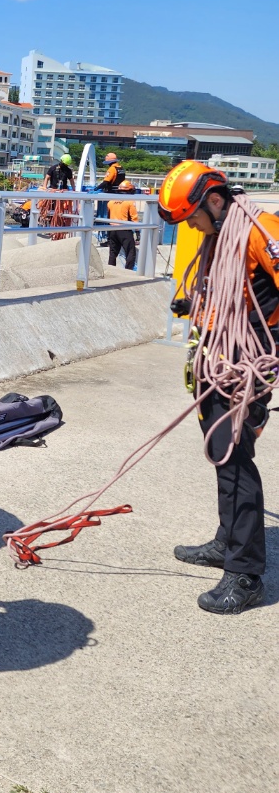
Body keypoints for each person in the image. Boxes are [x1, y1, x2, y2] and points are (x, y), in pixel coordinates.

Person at [160, 160, 278, 614]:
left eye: (192, 217)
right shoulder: (220, 233)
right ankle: (227, 541)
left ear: (214, 200)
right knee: (220, 453)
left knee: (235, 461)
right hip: (215, 359)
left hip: (245, 365)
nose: (191, 226)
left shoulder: (260, 232)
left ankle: (245, 574)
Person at [106, 180, 139, 270]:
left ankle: (110, 270)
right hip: (124, 230)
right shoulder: (130, 201)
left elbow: (108, 216)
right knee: (130, 252)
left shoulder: (111, 201)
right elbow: (134, 218)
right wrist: (137, 232)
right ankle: (128, 271)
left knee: (113, 253)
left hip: (112, 229)